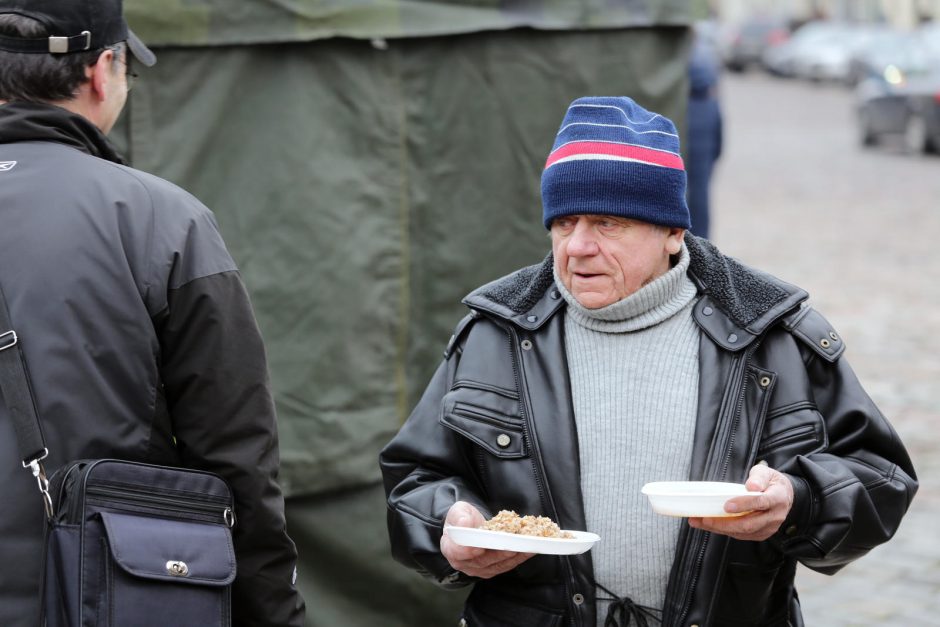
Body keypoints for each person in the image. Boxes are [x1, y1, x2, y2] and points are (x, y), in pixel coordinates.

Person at [380, 96, 917, 626]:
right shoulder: (495, 331)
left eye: (607, 223)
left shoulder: (771, 332)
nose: (578, 247)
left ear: (672, 231)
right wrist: (446, 525)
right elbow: (417, 477)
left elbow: (880, 478)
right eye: (564, 223)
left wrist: (798, 503)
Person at [0, 1, 305, 625]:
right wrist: (274, 613)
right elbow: (235, 457)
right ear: (102, 71)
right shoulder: (163, 221)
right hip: (107, 598)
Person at [686, 26, 723, 239]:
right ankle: (703, 251)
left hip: (686, 130)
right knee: (701, 198)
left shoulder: (674, 67)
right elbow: (720, 119)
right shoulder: (708, 62)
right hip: (706, 133)